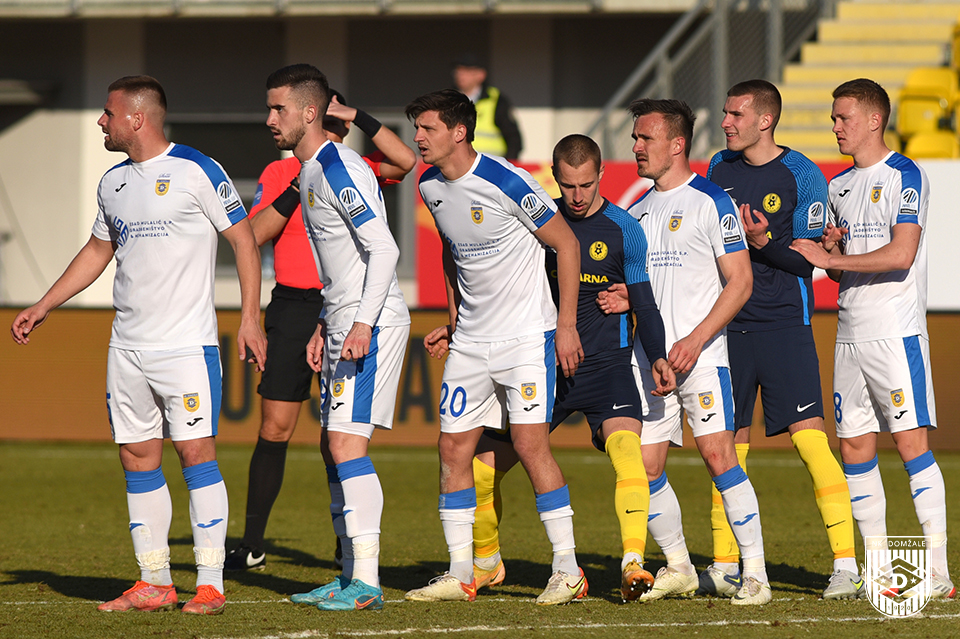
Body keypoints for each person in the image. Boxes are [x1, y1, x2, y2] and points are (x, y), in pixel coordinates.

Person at [10, 75, 267, 615]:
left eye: (108, 113)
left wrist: (250, 319)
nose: (100, 121)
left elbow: (244, 241)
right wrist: (44, 303)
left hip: (187, 347)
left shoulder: (198, 169)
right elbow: (97, 250)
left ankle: (211, 585)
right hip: (127, 348)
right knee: (136, 457)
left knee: (196, 455)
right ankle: (155, 581)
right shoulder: (113, 182)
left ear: (137, 118)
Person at [427, 134, 677, 602]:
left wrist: (659, 355)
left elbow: (645, 302)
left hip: (606, 367)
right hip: (544, 365)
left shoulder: (625, 229)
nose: (577, 196)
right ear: (556, 180)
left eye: (586, 184)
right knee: (481, 471)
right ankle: (487, 562)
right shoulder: (536, 221)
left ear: (601, 175)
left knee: (629, 454)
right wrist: (455, 322)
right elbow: (486, 274)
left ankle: (632, 563)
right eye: (568, 186)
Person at [403, 89, 585, 605]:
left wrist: (566, 325)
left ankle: (568, 569)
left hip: (526, 337)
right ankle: (461, 572)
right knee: (452, 449)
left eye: (428, 128)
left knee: (529, 446)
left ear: (459, 131)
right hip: (471, 342)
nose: (418, 137)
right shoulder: (429, 185)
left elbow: (566, 243)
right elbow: (451, 248)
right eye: (417, 128)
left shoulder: (507, 181)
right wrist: (454, 315)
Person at [225, 89, 416, 572]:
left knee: (342, 438)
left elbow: (405, 162)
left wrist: (360, 115)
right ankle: (256, 542)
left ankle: (351, 557)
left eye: (336, 119)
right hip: (302, 308)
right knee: (282, 426)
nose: (271, 119)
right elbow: (254, 233)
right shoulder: (288, 172)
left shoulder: (349, 167)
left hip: (352, 308)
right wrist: (298, 182)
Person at [599, 98, 770, 605]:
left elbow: (740, 282)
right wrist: (628, 297)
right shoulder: (635, 212)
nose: (635, 146)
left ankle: (755, 574)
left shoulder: (711, 202)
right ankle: (679, 566)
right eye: (635, 137)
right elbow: (649, 285)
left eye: (645, 138)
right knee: (646, 468)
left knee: (719, 457)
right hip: (650, 361)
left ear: (676, 144)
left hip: (703, 358)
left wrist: (695, 341)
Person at [792, 78, 953, 599]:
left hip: (895, 333)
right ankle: (878, 570)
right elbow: (841, 271)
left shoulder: (905, 174)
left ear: (874, 120)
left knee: (910, 446)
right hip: (849, 335)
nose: (835, 127)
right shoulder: (838, 185)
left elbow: (902, 254)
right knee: (855, 448)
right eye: (834, 119)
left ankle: (939, 571)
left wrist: (830, 257)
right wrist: (835, 255)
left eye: (843, 118)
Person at [701, 79, 861, 600]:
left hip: (783, 324)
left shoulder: (803, 174)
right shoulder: (718, 168)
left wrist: (763, 241)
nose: (726, 122)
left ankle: (845, 565)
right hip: (727, 326)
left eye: (736, 114)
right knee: (725, 445)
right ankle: (725, 564)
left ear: (764, 120)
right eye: (726, 113)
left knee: (810, 439)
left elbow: (807, 261)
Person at [452, 52, 523, 160]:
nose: (461, 75)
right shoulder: (447, 100)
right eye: (458, 71)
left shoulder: (496, 100)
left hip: (490, 165)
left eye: (467, 71)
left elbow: (513, 139)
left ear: (481, 75)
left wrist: (506, 167)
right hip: (456, 165)